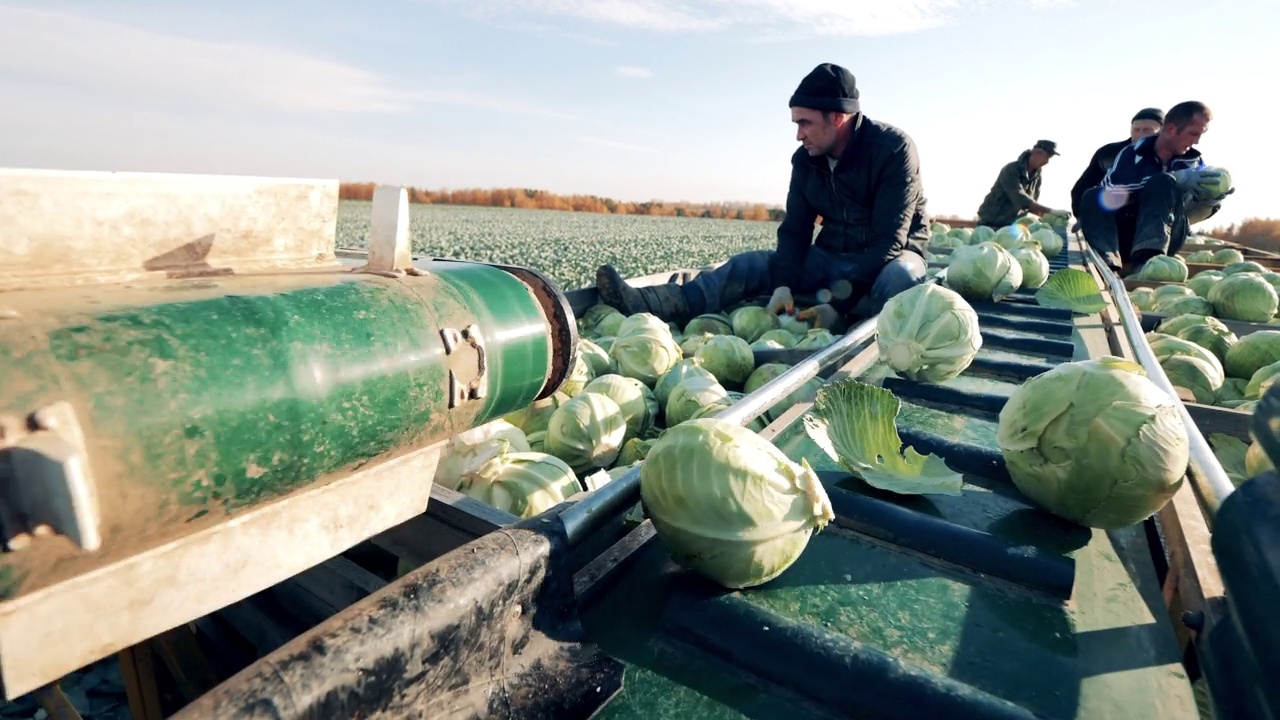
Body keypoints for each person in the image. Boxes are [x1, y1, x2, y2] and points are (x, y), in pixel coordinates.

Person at [594, 62, 929, 332]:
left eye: (805, 123)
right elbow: (796, 228)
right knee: (751, 265)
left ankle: (864, 325)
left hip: (890, 258)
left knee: (901, 278)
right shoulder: (806, 161)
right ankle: (654, 303)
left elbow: (889, 241)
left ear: (838, 117)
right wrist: (783, 283)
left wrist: (838, 305)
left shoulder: (893, 150)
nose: (798, 134)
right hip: (834, 257)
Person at [1078, 101, 1233, 276]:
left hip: (1164, 241)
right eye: (1193, 133)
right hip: (1123, 233)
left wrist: (1210, 201)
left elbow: (1189, 217)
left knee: (1164, 182)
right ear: (1170, 129)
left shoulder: (1195, 164)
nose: (1196, 141)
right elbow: (1113, 192)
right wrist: (1176, 179)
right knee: (1093, 195)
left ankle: (1147, 262)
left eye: (1200, 135)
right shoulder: (1131, 154)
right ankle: (1106, 265)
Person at [1069, 108, 1165, 219]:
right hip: (1115, 216)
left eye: (1147, 130)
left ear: (1162, 131)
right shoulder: (1108, 154)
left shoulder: (1175, 155)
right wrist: (1082, 218)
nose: (1140, 135)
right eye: (1136, 130)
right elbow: (1081, 188)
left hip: (1155, 217)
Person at [974, 140, 1069, 228]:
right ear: (1035, 152)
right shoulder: (1011, 169)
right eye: (1046, 157)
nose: (1047, 162)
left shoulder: (1037, 176)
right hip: (991, 224)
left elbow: (1030, 205)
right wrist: (1051, 211)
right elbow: (1019, 198)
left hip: (1012, 227)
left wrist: (1051, 218)